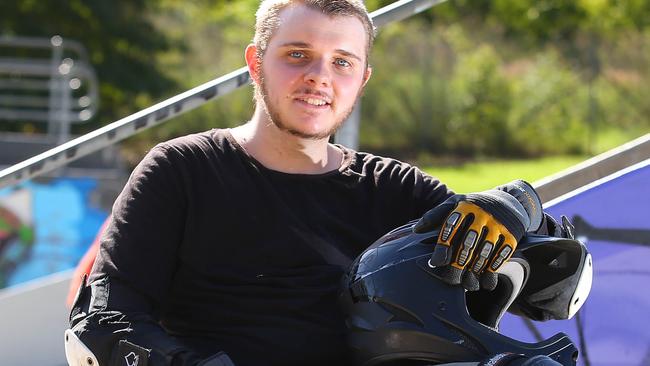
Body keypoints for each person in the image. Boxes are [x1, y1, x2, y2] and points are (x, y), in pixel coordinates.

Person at [66, 1, 568, 365]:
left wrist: (516, 205)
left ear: (363, 78)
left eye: (341, 62)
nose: (319, 77)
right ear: (255, 62)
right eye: (298, 54)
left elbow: (553, 291)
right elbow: (105, 322)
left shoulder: (395, 189)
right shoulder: (181, 169)